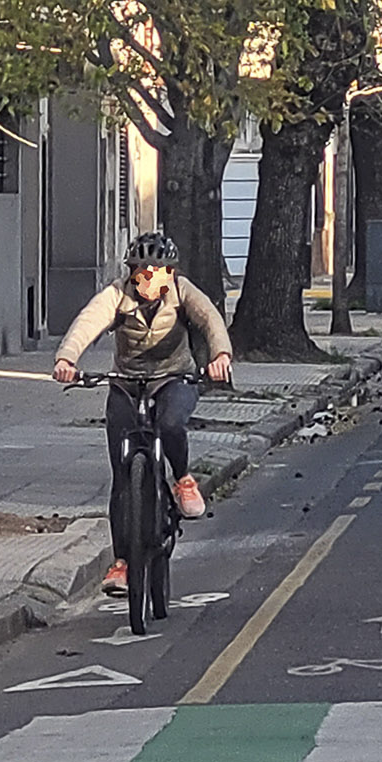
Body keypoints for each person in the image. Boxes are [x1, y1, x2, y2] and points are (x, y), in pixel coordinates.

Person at [53, 231, 232, 596]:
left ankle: (182, 479)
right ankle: (122, 563)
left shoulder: (183, 293)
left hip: (174, 378)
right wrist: (66, 358)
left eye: (158, 272)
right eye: (141, 272)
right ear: (132, 273)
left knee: (170, 424)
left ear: (170, 273)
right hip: (126, 382)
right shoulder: (117, 295)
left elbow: (210, 320)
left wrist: (220, 357)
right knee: (121, 477)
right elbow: (89, 321)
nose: (149, 280)